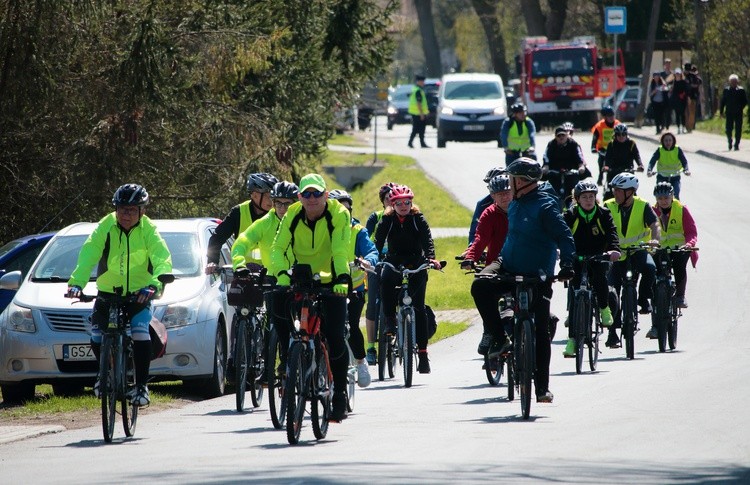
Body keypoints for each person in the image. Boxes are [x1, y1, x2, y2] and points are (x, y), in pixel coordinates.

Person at [66, 184, 173, 406]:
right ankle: (103, 374)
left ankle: (142, 386)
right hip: (107, 291)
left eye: (132, 210)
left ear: (142, 211)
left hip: (140, 293)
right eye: (122, 209)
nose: (126, 214)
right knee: (96, 335)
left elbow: (161, 257)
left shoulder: (148, 230)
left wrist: (155, 284)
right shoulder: (106, 226)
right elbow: (89, 253)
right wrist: (77, 283)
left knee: (141, 333)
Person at [269, 173, 352, 421]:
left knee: (335, 335)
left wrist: (341, 280)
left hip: (331, 280)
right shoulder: (293, 214)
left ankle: (338, 393)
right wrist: (282, 275)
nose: (312, 198)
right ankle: (288, 356)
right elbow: (278, 248)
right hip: (299, 276)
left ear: (326, 195)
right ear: (300, 197)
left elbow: (339, 249)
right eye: (307, 194)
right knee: (276, 304)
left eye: (317, 194)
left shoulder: (338, 214)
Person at [493, 157, 576, 403]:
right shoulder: (517, 203)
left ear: (521, 182)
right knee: (480, 288)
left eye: (511, 180)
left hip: (538, 275)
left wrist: (567, 265)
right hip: (509, 268)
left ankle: (542, 387)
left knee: (540, 327)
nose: (508, 185)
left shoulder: (545, 206)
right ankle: (500, 338)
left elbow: (564, 237)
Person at [231, 181, 298, 380]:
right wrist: (239, 263)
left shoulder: (301, 221)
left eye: (288, 204)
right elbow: (242, 241)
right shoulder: (265, 223)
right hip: (273, 276)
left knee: (301, 321)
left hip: (300, 277)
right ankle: (271, 369)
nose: (283, 209)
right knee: (274, 322)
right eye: (279, 203)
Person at [374, 185, 441, 374]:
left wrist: (431, 258)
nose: (404, 206)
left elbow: (427, 239)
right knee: (385, 279)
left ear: (411, 203)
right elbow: (378, 241)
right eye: (399, 203)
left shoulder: (417, 218)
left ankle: (422, 353)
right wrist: (374, 258)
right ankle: (389, 319)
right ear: (392, 204)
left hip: (416, 261)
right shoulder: (387, 219)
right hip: (395, 260)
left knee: (418, 308)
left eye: (407, 202)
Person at [562, 180, 620, 357]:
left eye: (591, 197)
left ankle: (604, 309)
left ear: (596, 198)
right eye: (584, 197)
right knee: (574, 292)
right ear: (577, 199)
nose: (588, 200)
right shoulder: (570, 214)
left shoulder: (603, 213)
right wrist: (560, 251)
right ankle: (572, 340)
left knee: (600, 277)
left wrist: (614, 249)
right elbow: (562, 234)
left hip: (598, 254)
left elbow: (612, 232)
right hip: (576, 255)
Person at [328, 189, 378, 388]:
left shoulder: (358, 230)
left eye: (347, 209)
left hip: (354, 287)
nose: (344, 213)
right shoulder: (324, 227)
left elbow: (371, 250)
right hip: (328, 286)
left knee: (352, 324)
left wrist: (367, 261)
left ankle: (360, 361)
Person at [604, 173, 660, 348]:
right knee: (612, 292)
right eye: (614, 190)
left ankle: (643, 299)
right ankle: (612, 333)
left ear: (630, 192)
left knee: (650, 269)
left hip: (638, 251)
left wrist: (656, 239)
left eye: (619, 191)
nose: (615, 194)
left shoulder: (642, 206)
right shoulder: (607, 206)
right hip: (616, 254)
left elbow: (654, 225)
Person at [462, 175, 512, 357]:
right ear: (492, 196)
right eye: (499, 194)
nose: (504, 197)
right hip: (497, 264)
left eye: (507, 193)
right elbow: (480, 238)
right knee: (480, 285)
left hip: (523, 263)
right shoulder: (489, 213)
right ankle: (496, 335)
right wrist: (471, 257)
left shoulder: (523, 209)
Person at [205, 172, 278, 274]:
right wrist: (212, 261)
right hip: (244, 273)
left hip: (273, 273)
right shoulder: (238, 212)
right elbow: (217, 238)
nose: (272, 201)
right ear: (254, 195)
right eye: (268, 196)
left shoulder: (278, 213)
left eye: (274, 196)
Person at [363, 182, 396, 365]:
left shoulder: (403, 216)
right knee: (372, 305)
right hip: (377, 263)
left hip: (396, 262)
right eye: (387, 198)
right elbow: (366, 243)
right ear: (382, 201)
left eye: (394, 198)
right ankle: (370, 347)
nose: (391, 201)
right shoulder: (375, 217)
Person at [652, 182, 698, 311]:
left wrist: (688, 244)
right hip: (659, 249)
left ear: (672, 196)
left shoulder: (682, 209)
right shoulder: (652, 211)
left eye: (666, 198)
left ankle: (680, 296)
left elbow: (691, 232)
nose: (663, 201)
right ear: (656, 199)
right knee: (653, 272)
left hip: (679, 248)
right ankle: (655, 304)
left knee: (679, 266)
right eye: (660, 198)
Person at [542, 125, 587, 210]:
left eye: (563, 135)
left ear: (566, 135)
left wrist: (581, 166)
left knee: (574, 189)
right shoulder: (551, 144)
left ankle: (575, 207)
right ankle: (552, 208)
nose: (561, 137)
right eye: (559, 136)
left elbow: (579, 156)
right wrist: (546, 166)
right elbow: (546, 156)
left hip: (571, 171)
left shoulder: (573, 143)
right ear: (555, 137)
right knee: (551, 190)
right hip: (555, 171)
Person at [646, 131, 691, 200]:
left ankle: (676, 210)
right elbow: (652, 161)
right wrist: (649, 170)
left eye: (670, 140)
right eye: (666, 140)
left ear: (673, 141)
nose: (668, 142)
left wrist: (686, 169)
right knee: (660, 196)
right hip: (662, 177)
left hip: (675, 177)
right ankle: (658, 210)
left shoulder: (677, 149)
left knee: (676, 195)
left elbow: (684, 161)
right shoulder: (660, 150)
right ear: (662, 141)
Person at [603, 124, 644, 198]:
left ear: (626, 134)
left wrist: (640, 165)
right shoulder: (611, 144)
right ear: (615, 135)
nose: (621, 136)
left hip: (628, 171)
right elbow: (607, 157)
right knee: (609, 193)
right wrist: (606, 166)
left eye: (623, 134)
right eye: (618, 134)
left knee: (632, 192)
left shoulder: (631, 143)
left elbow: (637, 156)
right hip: (614, 171)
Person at [468, 166, 506, 246]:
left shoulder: (518, 202)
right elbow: (475, 230)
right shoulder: (483, 203)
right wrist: (471, 246)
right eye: (490, 185)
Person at [590, 105, 621, 186]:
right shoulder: (600, 125)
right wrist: (593, 147)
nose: (611, 117)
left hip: (615, 149)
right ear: (604, 117)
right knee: (601, 162)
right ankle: (600, 176)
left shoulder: (618, 124)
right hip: (603, 149)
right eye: (609, 116)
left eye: (613, 115)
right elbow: (595, 137)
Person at [719, 74, 748, 151]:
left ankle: (736, 144)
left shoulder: (741, 90)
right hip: (729, 112)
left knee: (738, 128)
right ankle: (730, 141)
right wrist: (721, 112)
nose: (733, 83)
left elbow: (745, 101)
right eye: (732, 82)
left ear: (737, 82)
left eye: (735, 81)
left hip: (738, 112)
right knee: (728, 129)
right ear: (730, 82)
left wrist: (740, 107)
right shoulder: (726, 90)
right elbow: (723, 102)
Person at [408, 74, 430, 148]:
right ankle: (412, 142)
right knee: (418, 129)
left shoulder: (415, 89)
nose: (423, 83)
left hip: (416, 112)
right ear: (419, 82)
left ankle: (421, 143)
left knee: (419, 129)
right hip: (418, 113)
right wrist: (421, 114)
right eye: (422, 81)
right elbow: (418, 103)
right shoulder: (418, 91)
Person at [670, 68, 689, 134]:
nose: (677, 75)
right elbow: (673, 92)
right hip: (676, 100)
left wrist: (683, 94)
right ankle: (678, 128)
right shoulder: (674, 82)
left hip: (683, 100)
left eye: (679, 74)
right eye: (676, 74)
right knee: (677, 114)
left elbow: (686, 90)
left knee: (682, 114)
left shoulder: (684, 82)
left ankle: (683, 127)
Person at [684, 63, 702, 131]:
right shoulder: (682, 75)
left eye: (688, 70)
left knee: (692, 111)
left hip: (692, 96)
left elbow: (699, 82)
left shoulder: (693, 76)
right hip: (684, 96)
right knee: (686, 112)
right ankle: (686, 125)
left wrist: (692, 85)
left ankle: (690, 126)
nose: (687, 71)